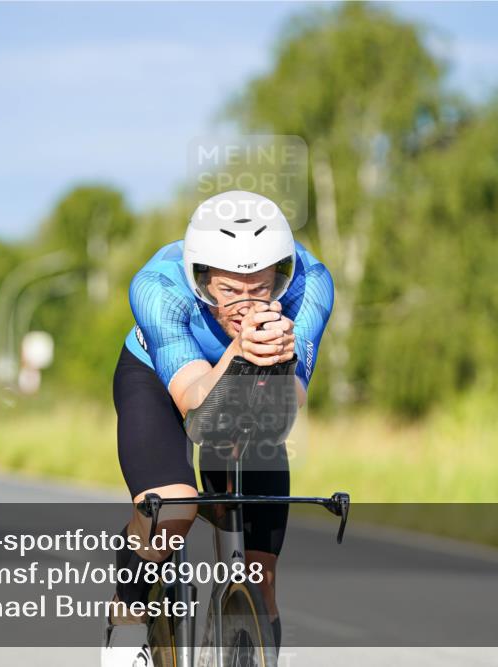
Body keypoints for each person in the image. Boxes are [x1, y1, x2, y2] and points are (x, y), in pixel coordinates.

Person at [102, 190, 334, 666]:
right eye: (228, 292)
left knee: (260, 575)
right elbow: (191, 403)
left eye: (262, 288)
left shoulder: (311, 284)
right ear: (200, 279)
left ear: (282, 276)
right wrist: (238, 352)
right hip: (160, 377)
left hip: (256, 384)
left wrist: (280, 358)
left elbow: (287, 408)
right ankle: (126, 620)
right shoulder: (157, 287)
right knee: (174, 509)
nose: (246, 306)